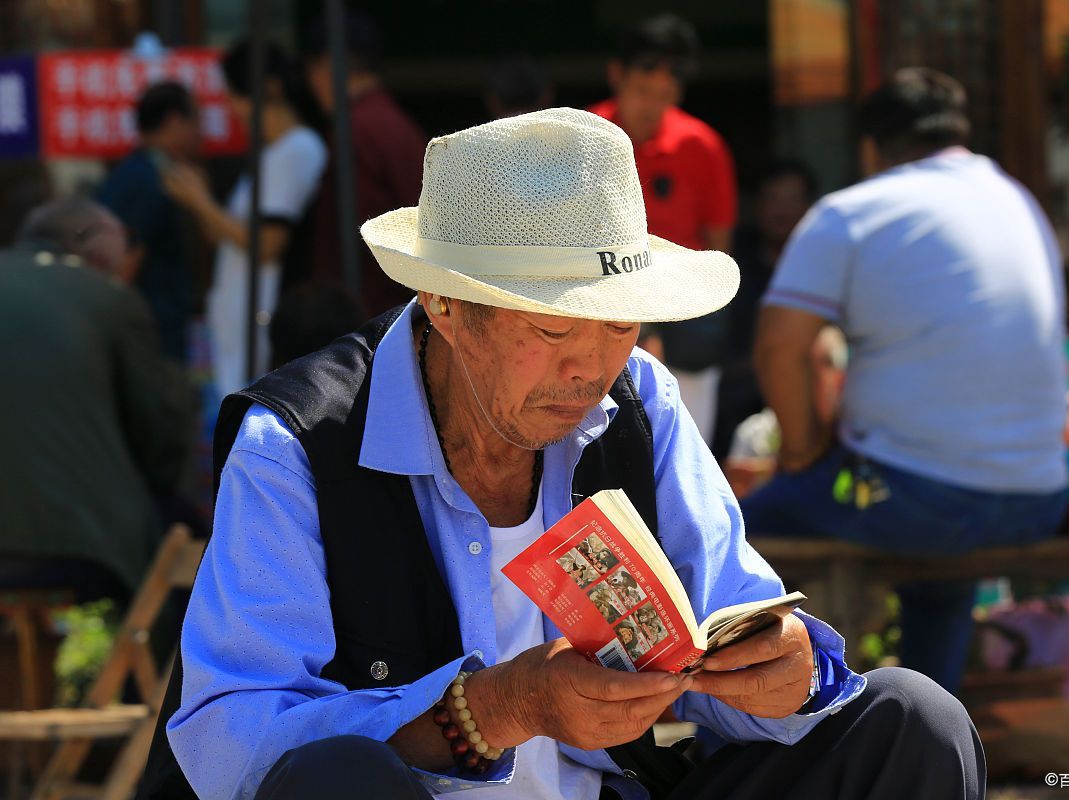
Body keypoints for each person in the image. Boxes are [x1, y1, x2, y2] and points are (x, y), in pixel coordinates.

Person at [144, 108, 984, 800]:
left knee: (912, 720)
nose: (590, 367)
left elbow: (736, 612)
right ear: (443, 303)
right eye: (551, 329)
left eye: (620, 325)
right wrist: (488, 711)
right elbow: (231, 745)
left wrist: (786, 674)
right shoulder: (299, 442)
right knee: (335, 783)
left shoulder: (639, 399)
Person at [741, 68, 1069, 694]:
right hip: (1038, 500)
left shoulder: (855, 212)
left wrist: (804, 453)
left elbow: (779, 346)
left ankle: (745, 749)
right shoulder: (1017, 200)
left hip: (917, 498)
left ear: (871, 148)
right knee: (935, 570)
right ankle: (930, 744)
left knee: (724, 536)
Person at [0, 198, 191, 603]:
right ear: (93, 241)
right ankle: (156, 666)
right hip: (78, 542)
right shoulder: (108, 299)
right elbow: (159, 438)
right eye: (126, 240)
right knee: (190, 535)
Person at [589, 14, 737, 445]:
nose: (653, 105)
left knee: (689, 441)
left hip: (685, 311)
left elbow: (718, 247)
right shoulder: (587, 135)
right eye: (642, 90)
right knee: (603, 441)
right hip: (604, 302)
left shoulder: (702, 145)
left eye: (666, 93)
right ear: (617, 74)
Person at [164, 40, 327, 398]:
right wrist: (199, 199)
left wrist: (201, 201)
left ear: (268, 88)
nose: (232, 108)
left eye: (235, 96)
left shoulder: (298, 148)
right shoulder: (273, 154)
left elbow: (267, 244)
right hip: (242, 327)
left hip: (261, 327)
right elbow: (230, 235)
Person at [303, 13, 428, 316]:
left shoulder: (356, 128)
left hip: (373, 318)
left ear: (329, 65)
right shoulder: (392, 121)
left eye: (311, 69)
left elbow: (361, 236)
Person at [714, 160, 819, 461]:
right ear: (756, 206)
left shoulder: (823, 260)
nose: (781, 210)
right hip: (737, 383)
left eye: (792, 200)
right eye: (773, 199)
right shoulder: (734, 257)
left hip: (805, 377)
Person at [96, 81, 202, 363]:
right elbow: (126, 262)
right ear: (174, 121)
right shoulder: (148, 179)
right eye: (195, 121)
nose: (199, 132)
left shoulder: (134, 172)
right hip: (152, 335)